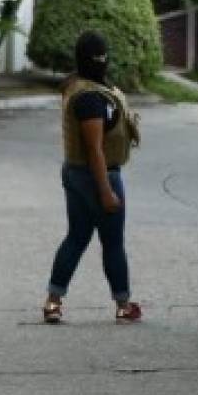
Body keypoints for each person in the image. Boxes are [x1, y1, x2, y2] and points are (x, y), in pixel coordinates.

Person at [43, 30, 143, 325]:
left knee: (76, 237)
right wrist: (106, 191)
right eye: (100, 57)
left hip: (74, 173)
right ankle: (123, 304)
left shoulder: (77, 86)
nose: (103, 61)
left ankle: (53, 301)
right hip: (98, 176)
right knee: (112, 243)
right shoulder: (90, 99)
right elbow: (95, 150)